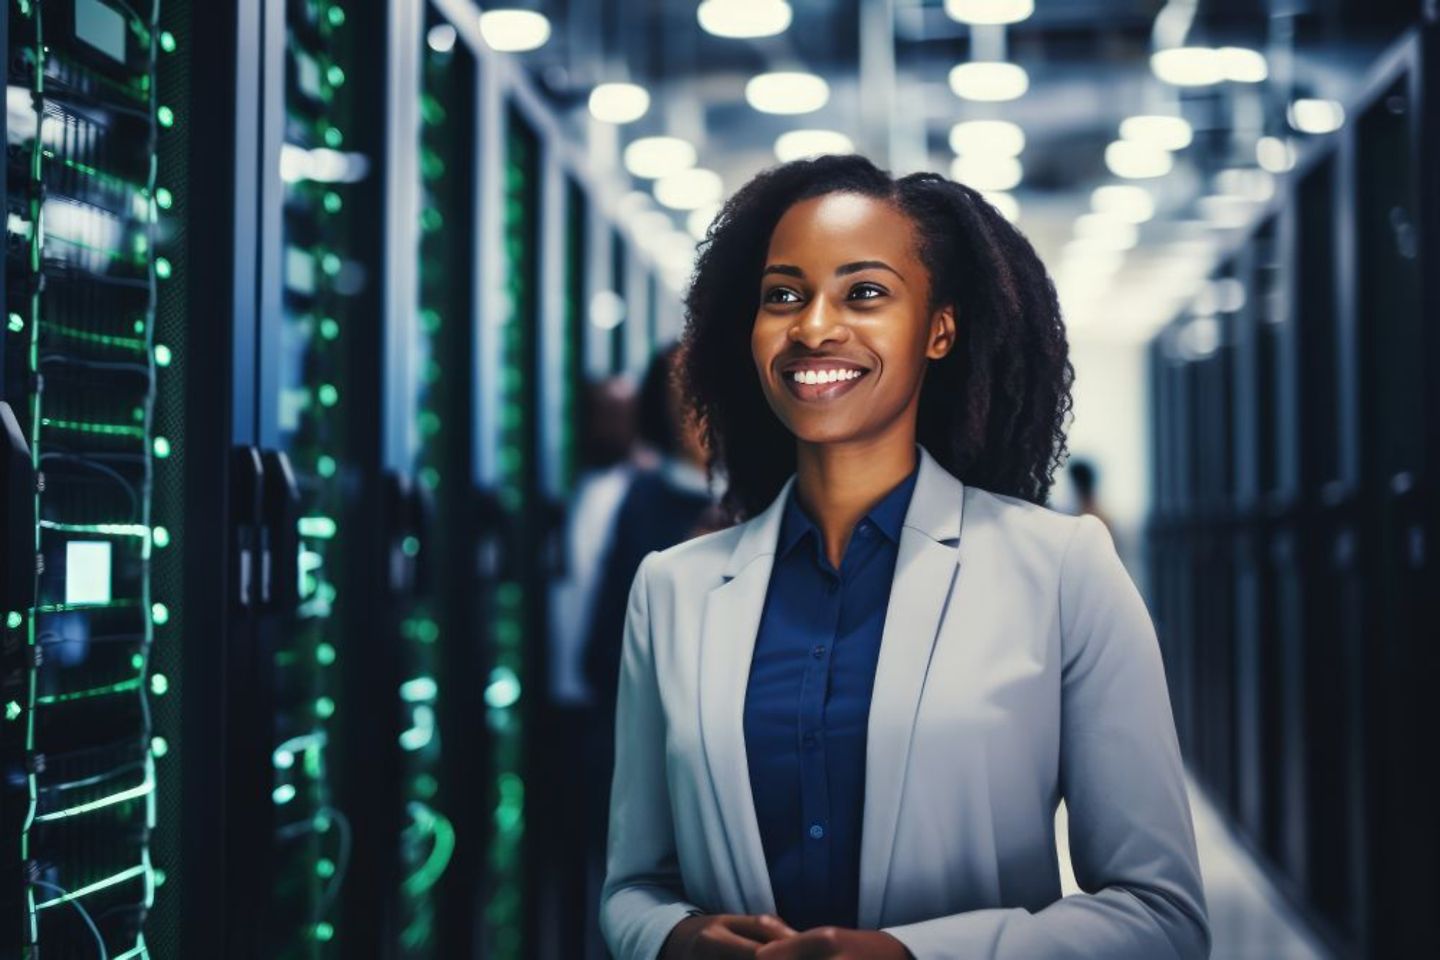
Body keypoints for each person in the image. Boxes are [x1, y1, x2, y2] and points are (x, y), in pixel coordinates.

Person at [599, 154, 1209, 960]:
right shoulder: (671, 589)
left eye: (864, 293)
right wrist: (673, 939)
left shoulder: (1061, 570)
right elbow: (630, 886)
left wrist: (915, 957)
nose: (814, 325)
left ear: (940, 328)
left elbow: (1160, 915)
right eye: (784, 294)